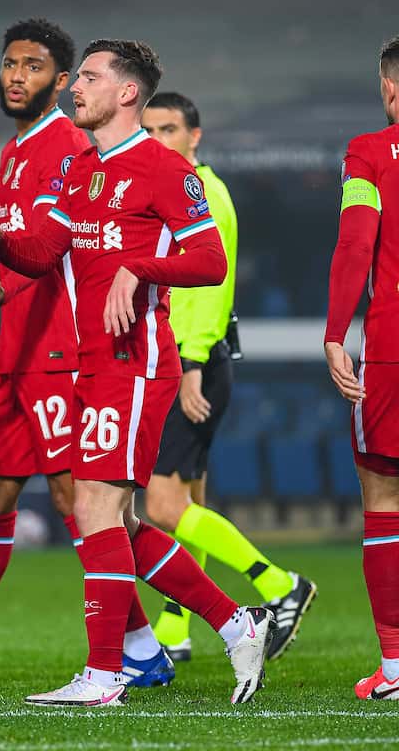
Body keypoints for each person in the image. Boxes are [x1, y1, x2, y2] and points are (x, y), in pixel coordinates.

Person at [0, 38, 274, 707]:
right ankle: (235, 621)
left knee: (96, 507)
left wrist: (141, 270)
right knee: (120, 521)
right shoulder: (80, 170)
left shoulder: (164, 170)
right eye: (77, 77)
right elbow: (47, 251)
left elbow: (210, 261)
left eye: (90, 77)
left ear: (127, 93)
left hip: (136, 363)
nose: (75, 86)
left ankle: (104, 674)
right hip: (88, 360)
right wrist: (2, 243)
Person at [0, 18, 172, 690]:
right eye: (10, 63)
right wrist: (3, 291)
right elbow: (41, 250)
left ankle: (140, 644)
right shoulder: (16, 150)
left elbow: (80, 246)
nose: (16, 75)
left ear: (59, 80)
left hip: (58, 350)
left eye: (34, 65)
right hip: (16, 345)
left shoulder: (65, 146)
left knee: (79, 500)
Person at [142, 91, 316, 664]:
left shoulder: (201, 193)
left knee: (162, 508)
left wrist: (189, 366)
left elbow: (211, 289)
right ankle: (173, 630)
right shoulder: (174, 190)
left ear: (195, 136)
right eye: (150, 129)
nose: (157, 139)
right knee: (190, 499)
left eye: (169, 129)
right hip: (193, 358)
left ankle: (276, 586)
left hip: (193, 361)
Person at [324, 34, 399, 701]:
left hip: (393, 350)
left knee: (384, 501)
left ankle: (397, 671)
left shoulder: (370, 153)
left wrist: (333, 333)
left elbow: (357, 242)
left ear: (389, 89)